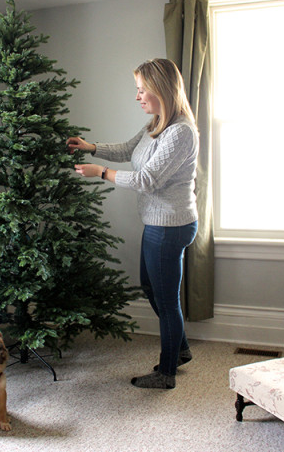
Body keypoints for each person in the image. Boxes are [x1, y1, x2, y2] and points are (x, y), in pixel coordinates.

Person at [67, 58, 199, 389]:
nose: (137, 96)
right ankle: (180, 349)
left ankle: (166, 372)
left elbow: (147, 179)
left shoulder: (180, 132)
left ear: (160, 90)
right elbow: (129, 150)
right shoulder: (156, 124)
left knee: (166, 301)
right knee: (152, 288)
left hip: (170, 227)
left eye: (142, 90)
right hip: (157, 224)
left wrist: (100, 173)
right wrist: (92, 148)